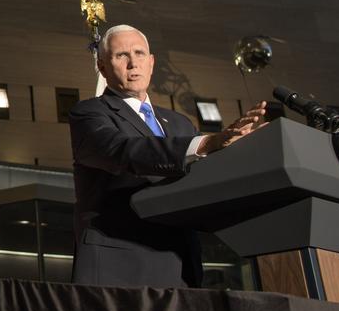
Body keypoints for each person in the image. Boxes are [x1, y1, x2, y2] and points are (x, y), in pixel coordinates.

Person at [69, 24, 269, 289]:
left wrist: (245, 149)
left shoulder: (180, 123)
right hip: (119, 266)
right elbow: (124, 151)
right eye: (121, 56)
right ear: (103, 67)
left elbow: (204, 175)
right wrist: (210, 142)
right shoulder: (89, 113)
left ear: (151, 63)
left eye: (139, 53)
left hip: (180, 266)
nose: (132, 64)